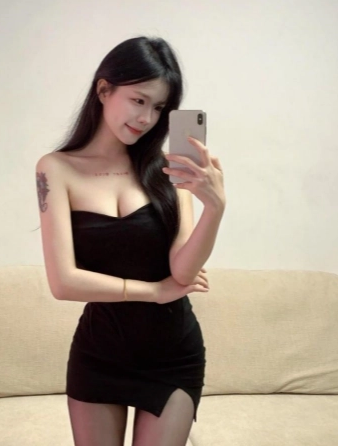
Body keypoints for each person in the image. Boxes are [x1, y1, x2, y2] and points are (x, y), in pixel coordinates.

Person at [36, 36, 226, 446]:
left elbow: (183, 273)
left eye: (158, 108)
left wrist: (214, 207)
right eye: (139, 100)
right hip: (99, 352)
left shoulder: (169, 170)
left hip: (173, 354)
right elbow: (63, 282)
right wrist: (154, 291)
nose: (147, 118)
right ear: (104, 90)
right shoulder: (56, 169)